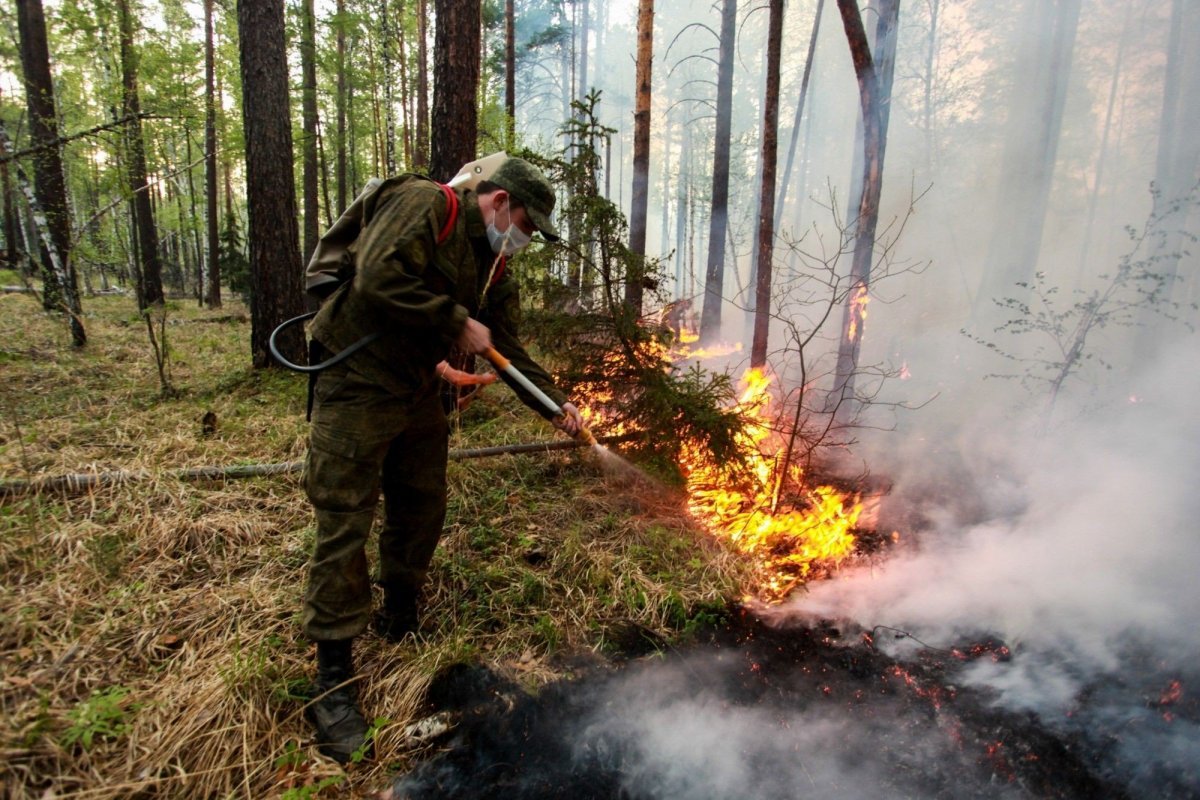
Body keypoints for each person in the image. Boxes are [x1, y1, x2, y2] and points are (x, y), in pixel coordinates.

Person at [301, 157, 583, 763]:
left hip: (415, 386)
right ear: (501, 201)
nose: (524, 239)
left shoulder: (493, 264)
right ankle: (332, 682)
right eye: (526, 225)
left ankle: (399, 615)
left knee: (422, 502)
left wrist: (555, 403)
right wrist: (455, 322)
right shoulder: (427, 204)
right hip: (356, 377)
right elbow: (377, 275)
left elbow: (505, 344)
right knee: (345, 518)